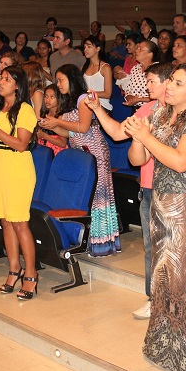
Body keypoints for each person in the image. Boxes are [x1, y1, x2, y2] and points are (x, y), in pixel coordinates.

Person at [125, 63, 186, 371]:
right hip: (163, 205)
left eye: (178, 83)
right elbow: (137, 159)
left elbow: (180, 162)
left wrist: (147, 136)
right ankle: (166, 349)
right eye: (171, 81)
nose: (169, 86)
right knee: (165, 279)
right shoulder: (161, 115)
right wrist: (138, 137)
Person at [85, 63, 174, 320]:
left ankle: (175, 300)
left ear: (168, 83)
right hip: (148, 187)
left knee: (173, 248)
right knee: (151, 247)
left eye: (152, 81)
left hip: (172, 189)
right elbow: (116, 133)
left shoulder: (179, 113)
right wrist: (97, 109)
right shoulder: (147, 109)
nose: (147, 86)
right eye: (147, 81)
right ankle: (154, 298)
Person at [41, 64, 120, 257]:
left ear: (72, 79)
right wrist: (52, 126)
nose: (58, 84)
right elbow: (69, 133)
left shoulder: (84, 98)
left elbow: (83, 127)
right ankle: (91, 240)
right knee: (88, 196)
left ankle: (103, 243)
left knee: (98, 196)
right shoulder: (70, 100)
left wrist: (57, 121)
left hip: (94, 151)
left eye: (61, 80)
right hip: (81, 151)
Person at [0, 66, 38, 293]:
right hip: (0, 163)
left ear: (17, 85)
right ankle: (14, 269)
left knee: (19, 222)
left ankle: (31, 273)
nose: (0, 83)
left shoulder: (25, 109)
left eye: (6, 79)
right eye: (1, 78)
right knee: (5, 221)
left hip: (18, 166)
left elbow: (22, 144)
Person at [116, 40, 159, 108]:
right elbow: (128, 88)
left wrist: (139, 99)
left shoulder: (158, 69)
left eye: (140, 49)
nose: (136, 51)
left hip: (151, 109)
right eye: (137, 48)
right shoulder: (135, 68)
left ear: (150, 54)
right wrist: (129, 98)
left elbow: (160, 94)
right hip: (136, 108)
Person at [82, 35, 113, 111]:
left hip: (102, 106)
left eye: (89, 47)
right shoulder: (83, 68)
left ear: (98, 49)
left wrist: (89, 95)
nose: (85, 49)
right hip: (86, 105)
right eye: (84, 47)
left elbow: (107, 94)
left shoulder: (105, 68)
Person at [37, 84, 67, 155]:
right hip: (43, 150)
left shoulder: (60, 117)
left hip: (56, 152)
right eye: (46, 96)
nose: (47, 100)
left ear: (59, 98)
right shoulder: (44, 114)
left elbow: (63, 143)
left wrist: (44, 136)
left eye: (52, 97)